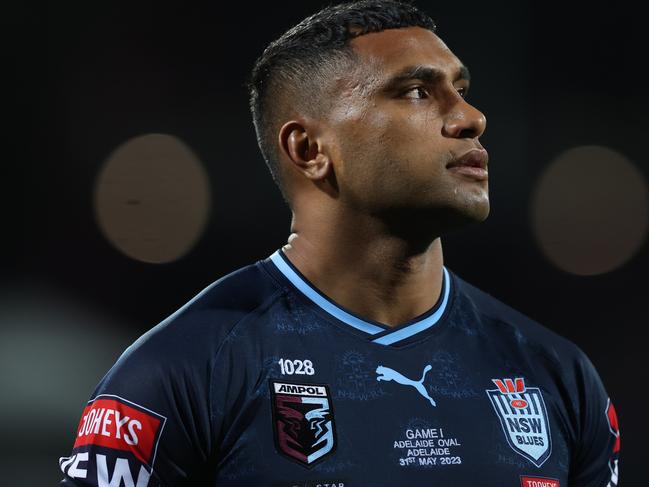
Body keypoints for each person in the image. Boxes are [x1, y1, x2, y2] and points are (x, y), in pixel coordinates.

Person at [58, 0, 621, 485]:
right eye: (419, 92)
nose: (471, 118)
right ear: (308, 149)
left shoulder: (554, 374)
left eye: (463, 90)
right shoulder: (181, 373)